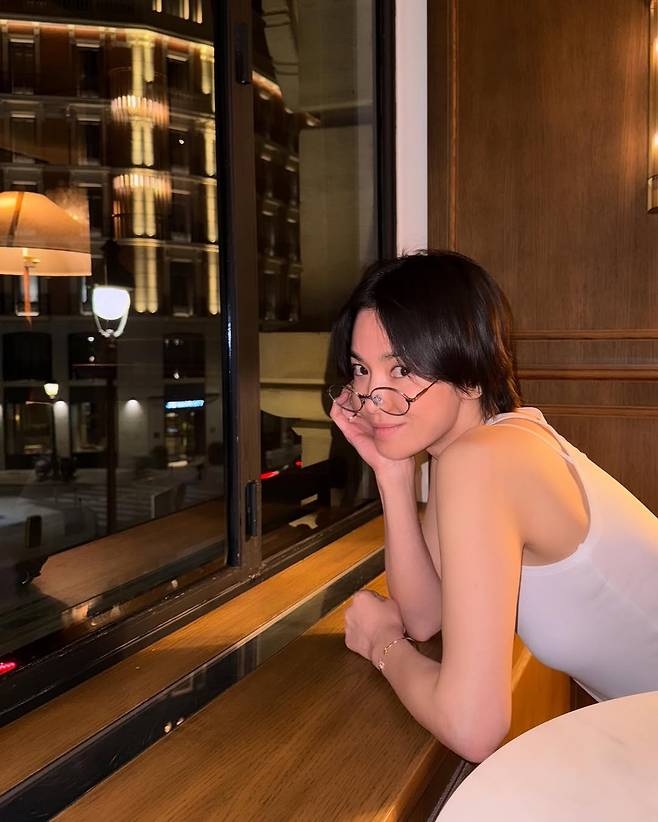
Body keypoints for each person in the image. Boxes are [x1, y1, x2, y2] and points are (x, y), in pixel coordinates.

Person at [328, 251, 658, 763]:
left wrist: (381, 645)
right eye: (361, 370)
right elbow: (425, 615)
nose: (372, 397)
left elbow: (472, 726)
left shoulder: (483, 461)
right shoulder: (476, 450)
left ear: (471, 376)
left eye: (402, 369)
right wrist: (393, 476)